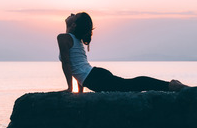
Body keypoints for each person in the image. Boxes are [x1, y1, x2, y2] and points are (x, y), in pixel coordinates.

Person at [57, 12, 188, 93]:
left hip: (95, 78)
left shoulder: (64, 38)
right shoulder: (72, 39)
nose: (72, 14)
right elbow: (78, 66)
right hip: (95, 75)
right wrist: (79, 91)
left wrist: (70, 88)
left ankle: (171, 85)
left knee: (132, 85)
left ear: (73, 25)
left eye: (75, 16)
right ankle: (170, 85)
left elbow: (68, 64)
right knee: (130, 84)